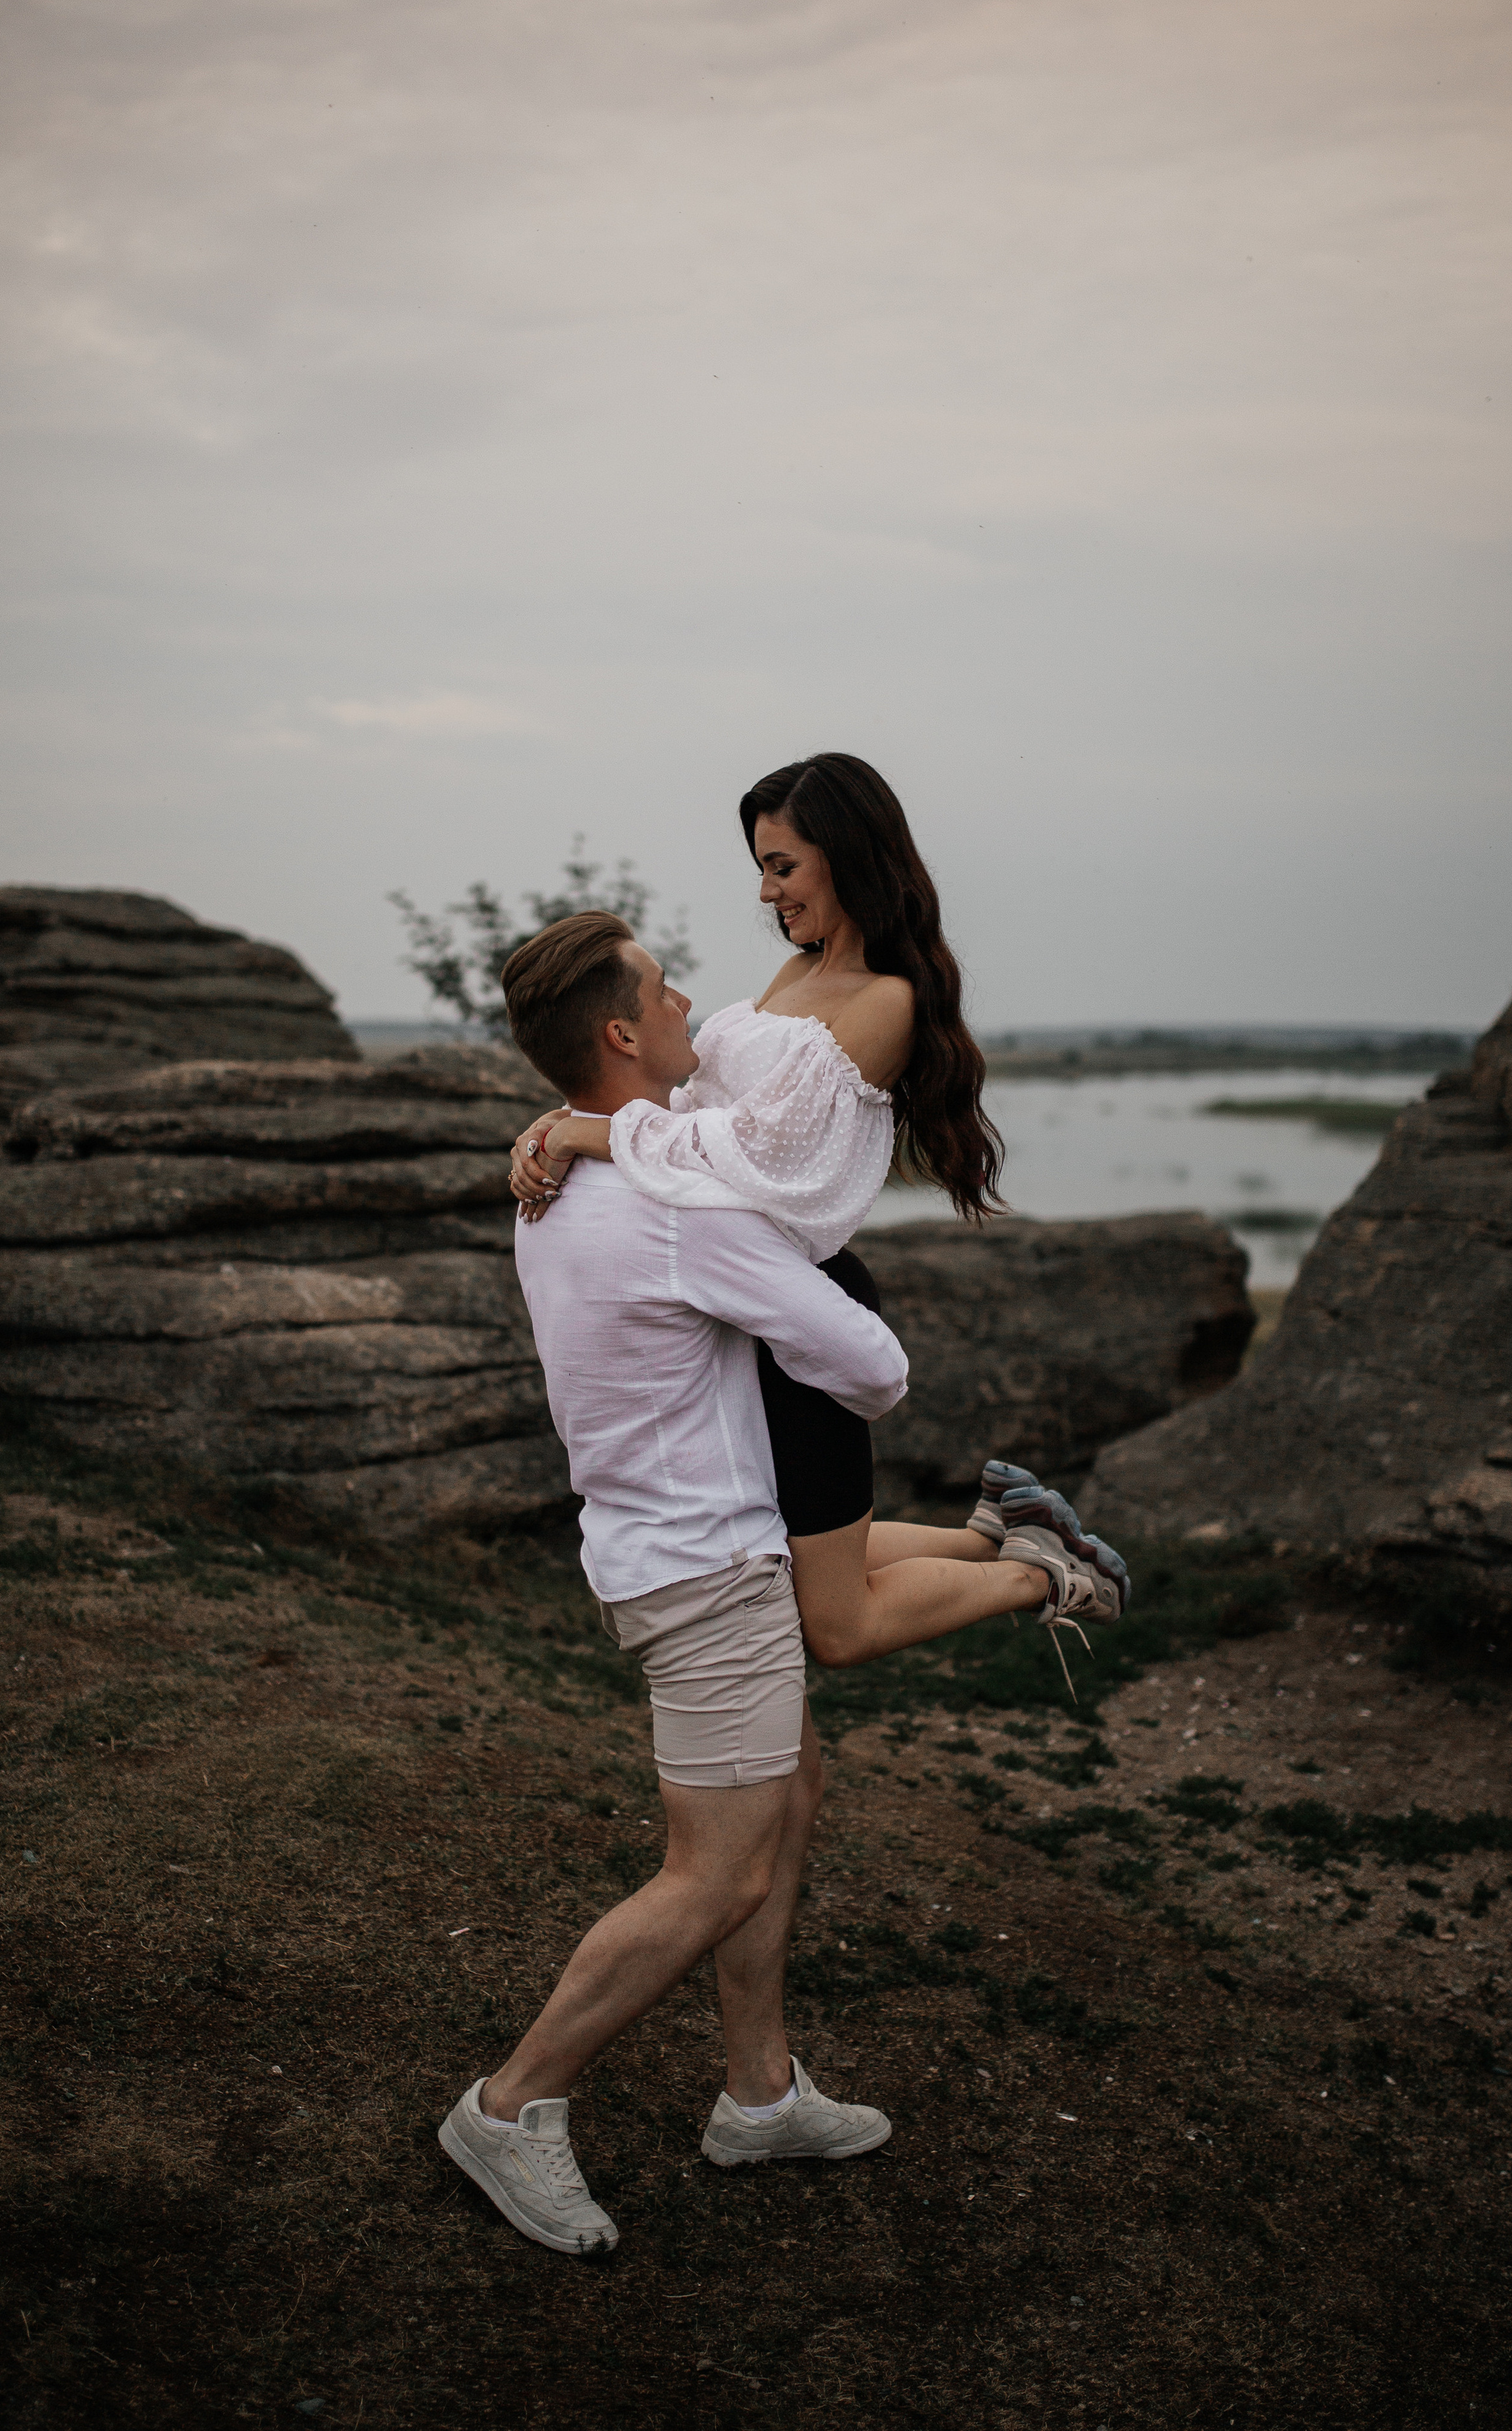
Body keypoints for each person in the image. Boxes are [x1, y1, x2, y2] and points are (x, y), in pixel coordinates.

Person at [441, 907, 1031, 2255]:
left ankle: (759, 2095)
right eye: (661, 991)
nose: (686, 1005)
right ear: (618, 1032)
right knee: (713, 1877)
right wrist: (785, 1318)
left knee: (791, 1794)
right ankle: (510, 2105)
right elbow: (874, 1366)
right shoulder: (670, 1209)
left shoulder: (553, 1175)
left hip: (653, 1550)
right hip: (707, 1575)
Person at [507, 753, 1129, 1685]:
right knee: (782, 1547)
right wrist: (561, 1125)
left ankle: (1041, 1574)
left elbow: (760, 1152)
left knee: (835, 1623)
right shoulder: (795, 972)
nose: (768, 892)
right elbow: (693, 1118)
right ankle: (1006, 1533)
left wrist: (597, 1133)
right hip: (737, 1293)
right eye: (762, 867)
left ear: (847, 855)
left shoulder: (888, 1001)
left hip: (799, 1295)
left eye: (783, 866)